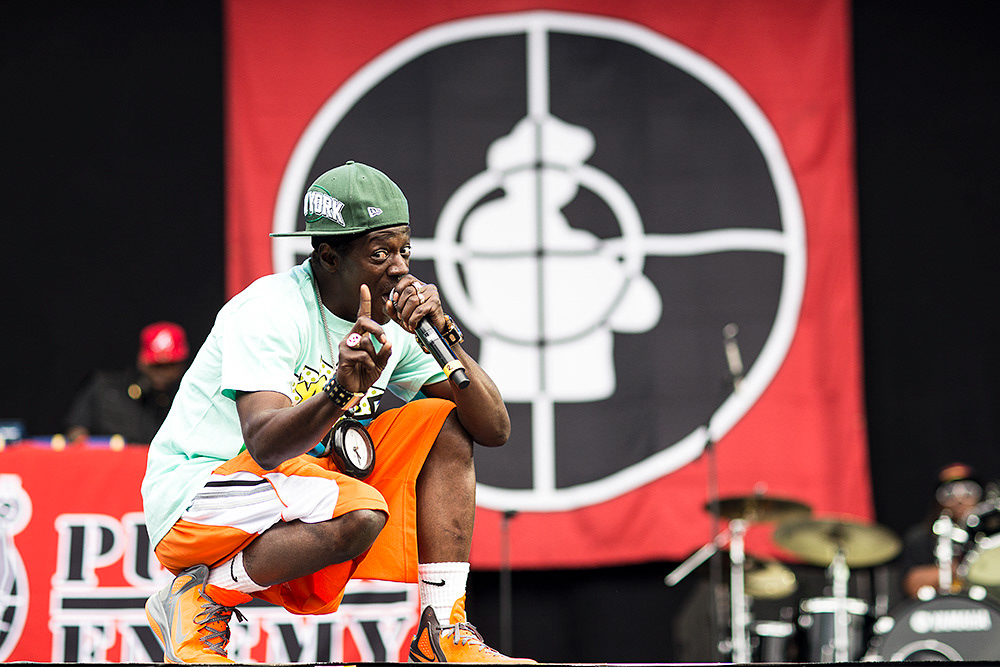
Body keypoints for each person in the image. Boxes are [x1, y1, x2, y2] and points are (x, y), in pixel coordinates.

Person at [140, 161, 534, 663]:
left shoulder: (393, 325)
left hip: (294, 487)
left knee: (445, 423)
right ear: (329, 256)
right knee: (359, 510)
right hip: (199, 491)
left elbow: (493, 428)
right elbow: (264, 444)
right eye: (380, 254)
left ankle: (443, 630)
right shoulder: (269, 310)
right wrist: (337, 392)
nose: (400, 268)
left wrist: (445, 338)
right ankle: (202, 596)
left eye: (405, 250)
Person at [64, 321, 189, 444]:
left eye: (171, 365)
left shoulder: (189, 398)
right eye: (156, 365)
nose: (163, 373)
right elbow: (76, 433)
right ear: (142, 361)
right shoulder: (106, 389)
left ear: (182, 364)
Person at [898, 462, 984, 598]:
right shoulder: (922, 537)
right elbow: (912, 585)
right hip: (939, 604)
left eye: (968, 491)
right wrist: (955, 570)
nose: (960, 500)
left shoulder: (989, 535)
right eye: (950, 493)